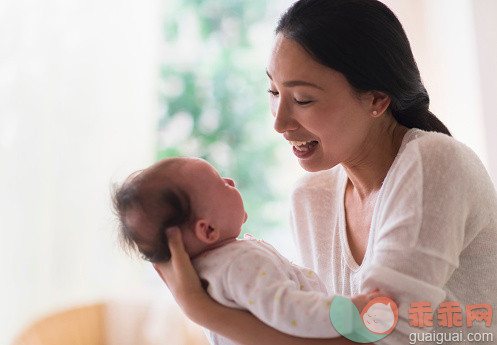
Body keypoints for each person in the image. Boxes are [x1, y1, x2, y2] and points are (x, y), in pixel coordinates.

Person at [153, 0, 497, 344]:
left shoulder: (432, 164)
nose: (279, 122)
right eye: (274, 92)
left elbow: (383, 336)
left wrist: (204, 312)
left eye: (302, 99)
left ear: (377, 99)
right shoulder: (310, 199)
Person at [112, 157, 388, 344]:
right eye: (221, 183)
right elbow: (291, 309)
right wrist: (351, 313)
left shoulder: (209, 274)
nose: (231, 181)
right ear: (208, 230)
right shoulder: (238, 265)